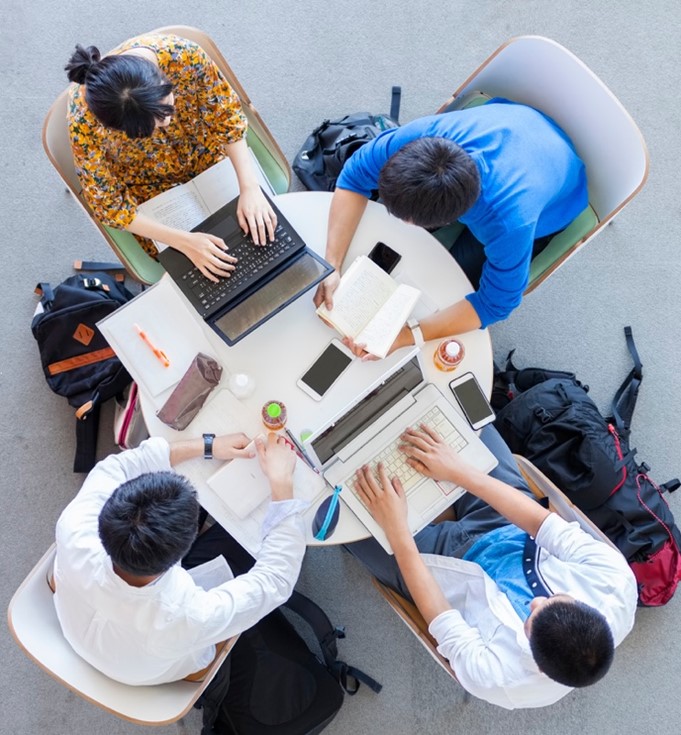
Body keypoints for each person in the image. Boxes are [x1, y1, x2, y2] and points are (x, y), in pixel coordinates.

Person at [347, 424, 637, 709]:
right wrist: (457, 470)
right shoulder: (615, 583)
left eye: (531, 617)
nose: (535, 601)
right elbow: (539, 521)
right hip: (506, 522)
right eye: (550, 600)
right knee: (465, 421)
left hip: (439, 569)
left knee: (338, 515)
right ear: (581, 603)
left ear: (534, 657)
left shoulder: (499, 680)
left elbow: (439, 613)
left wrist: (396, 530)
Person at [313, 101, 588, 355]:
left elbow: (496, 303)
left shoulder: (510, 224)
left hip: (557, 194)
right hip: (518, 122)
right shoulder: (420, 136)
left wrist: (407, 336)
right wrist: (332, 265)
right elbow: (354, 175)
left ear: (449, 219)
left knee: (454, 281)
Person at [53, 431, 308, 689]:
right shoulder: (188, 616)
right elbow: (276, 579)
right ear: (179, 556)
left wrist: (208, 445)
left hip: (81, 627)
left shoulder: (75, 527)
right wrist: (281, 482)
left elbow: (117, 466)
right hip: (157, 665)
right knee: (245, 542)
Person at [65, 33, 277, 282]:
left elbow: (227, 118)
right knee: (205, 274)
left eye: (167, 107)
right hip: (149, 185)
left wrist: (250, 187)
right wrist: (184, 241)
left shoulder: (184, 56)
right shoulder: (83, 120)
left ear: (163, 78)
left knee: (261, 234)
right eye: (149, 128)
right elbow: (109, 206)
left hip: (206, 151)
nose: (166, 122)